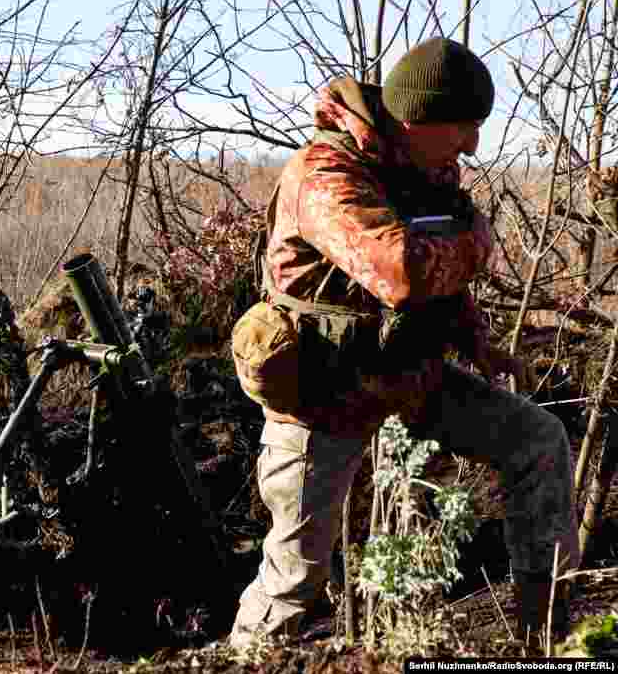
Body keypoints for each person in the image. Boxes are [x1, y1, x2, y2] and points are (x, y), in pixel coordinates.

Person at [230, 38, 579, 648]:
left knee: (539, 440)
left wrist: (475, 339)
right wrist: (479, 241)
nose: (472, 145)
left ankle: (546, 640)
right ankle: (242, 660)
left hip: (407, 379)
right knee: (296, 577)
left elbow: (438, 268)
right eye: (463, 129)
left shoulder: (427, 167)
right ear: (415, 122)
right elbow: (405, 272)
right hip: (323, 390)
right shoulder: (325, 175)